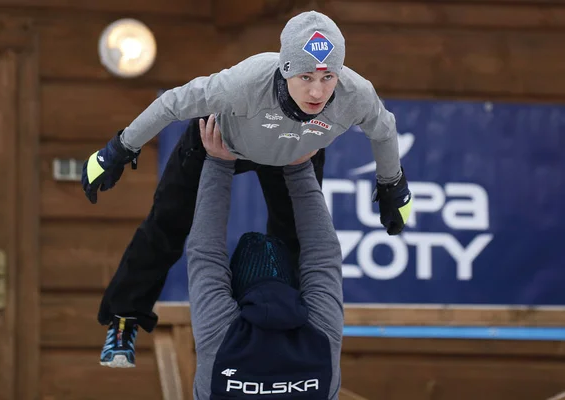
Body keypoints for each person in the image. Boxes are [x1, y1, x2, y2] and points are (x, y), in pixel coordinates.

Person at [86, 10, 412, 368]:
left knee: (296, 241)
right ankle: (123, 320)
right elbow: (172, 104)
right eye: (306, 76)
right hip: (216, 144)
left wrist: (392, 186)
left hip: (294, 156)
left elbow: (384, 130)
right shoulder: (243, 84)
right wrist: (118, 150)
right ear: (286, 68)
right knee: (166, 226)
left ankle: (288, 329)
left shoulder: (356, 94)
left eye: (328, 76)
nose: (317, 91)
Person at [186, 120, 343, 399]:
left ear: (234, 293)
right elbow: (205, 254)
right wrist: (298, 168)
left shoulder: (223, 333)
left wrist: (299, 167)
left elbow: (323, 256)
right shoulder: (220, 330)